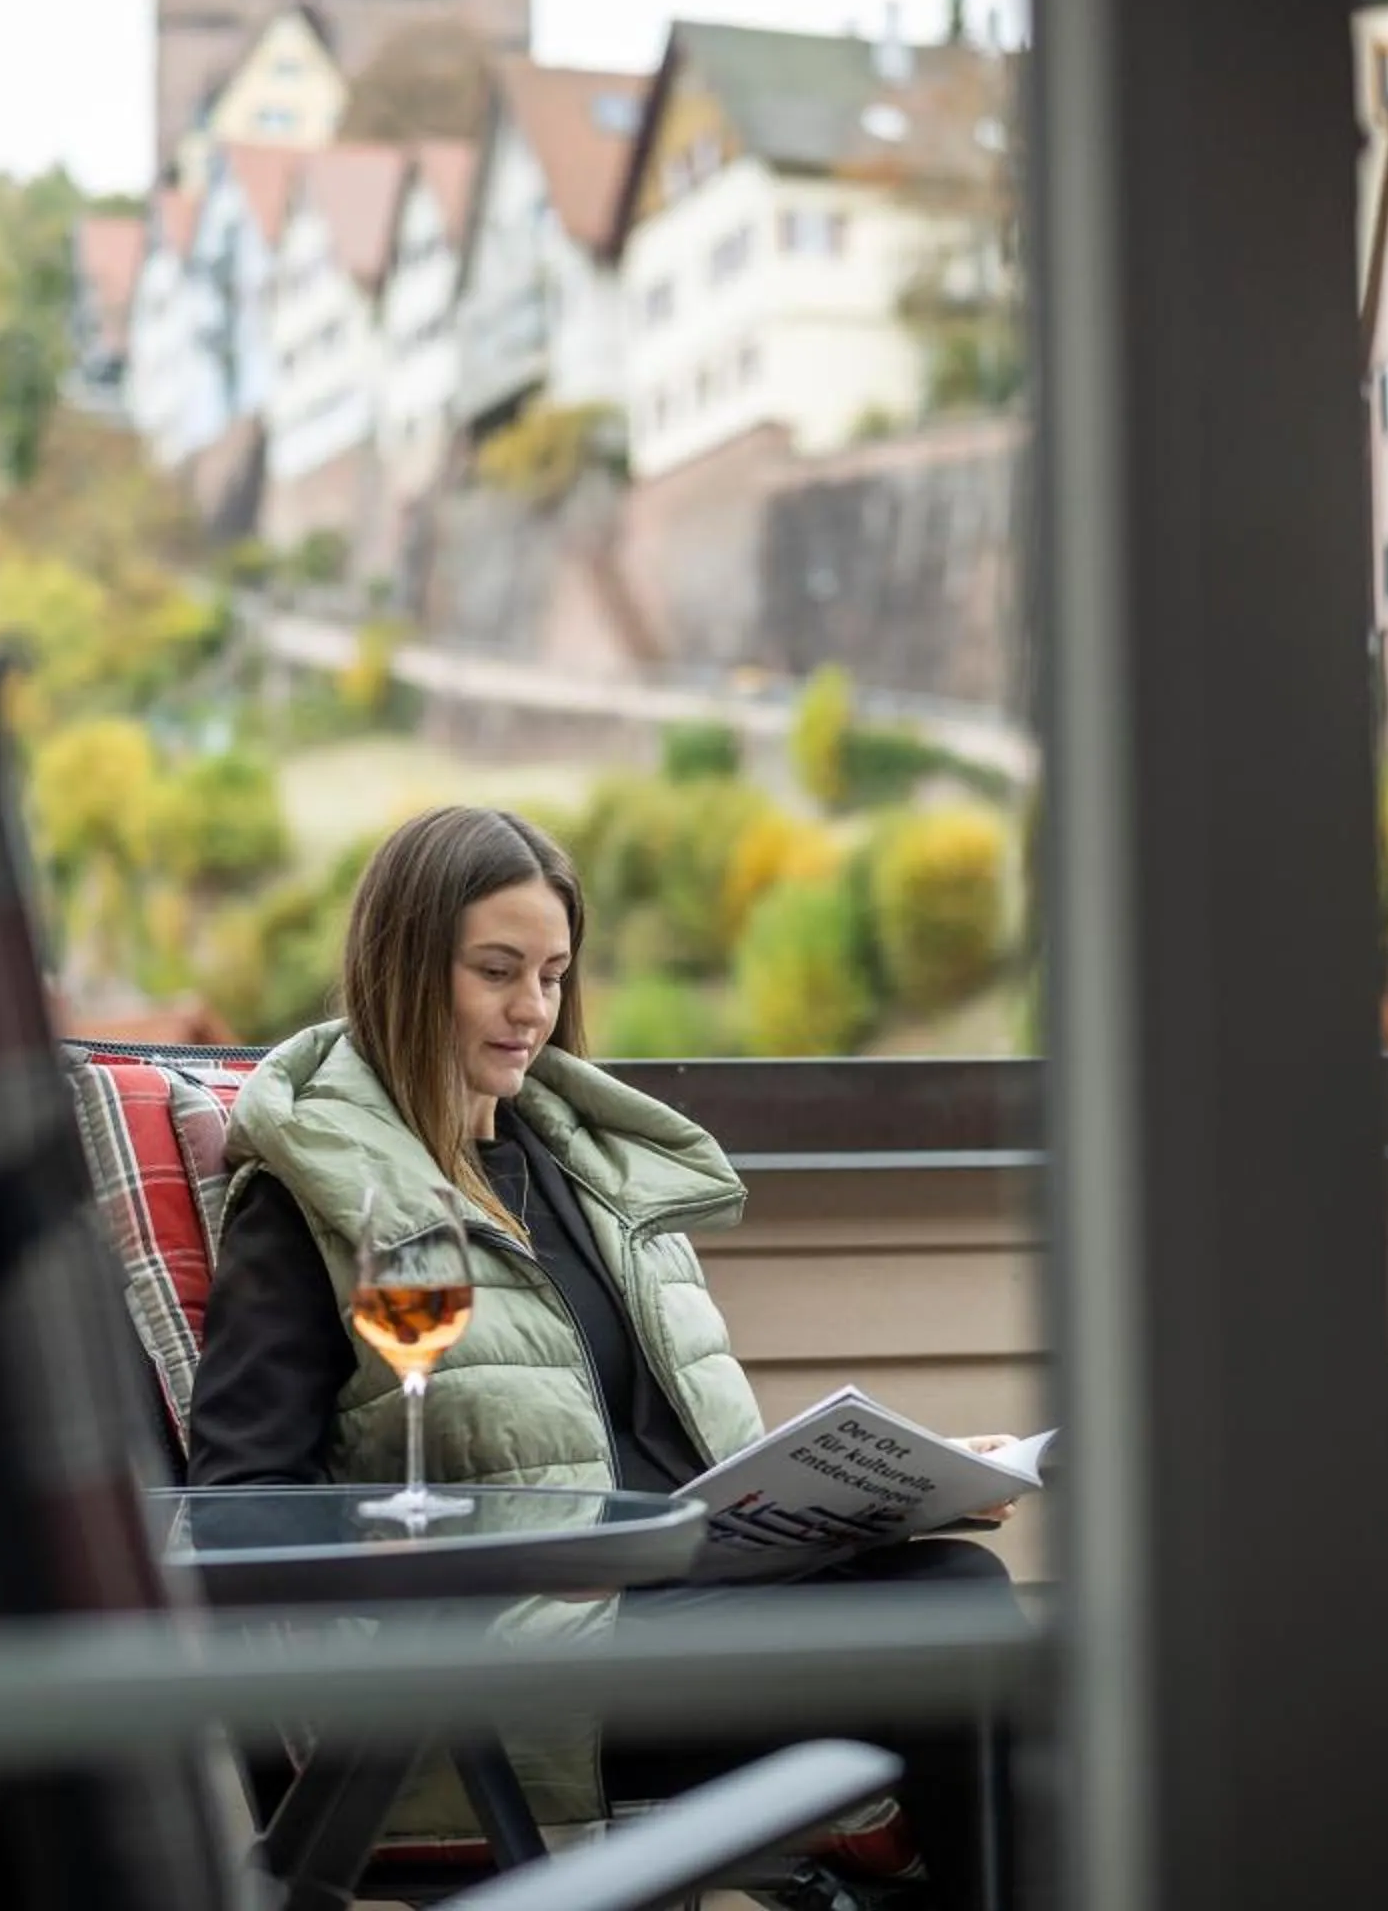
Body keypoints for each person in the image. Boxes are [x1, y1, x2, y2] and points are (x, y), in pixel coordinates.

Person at [182, 803, 1016, 1910]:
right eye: (496, 971)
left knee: (962, 1584)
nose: (533, 1009)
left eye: (555, 974)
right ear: (404, 967)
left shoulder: (585, 1170)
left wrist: (891, 1485)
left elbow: (660, 1447)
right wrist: (448, 1554)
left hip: (686, 1587)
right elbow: (241, 1503)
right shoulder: (312, 1204)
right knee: (944, 1631)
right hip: (518, 1662)